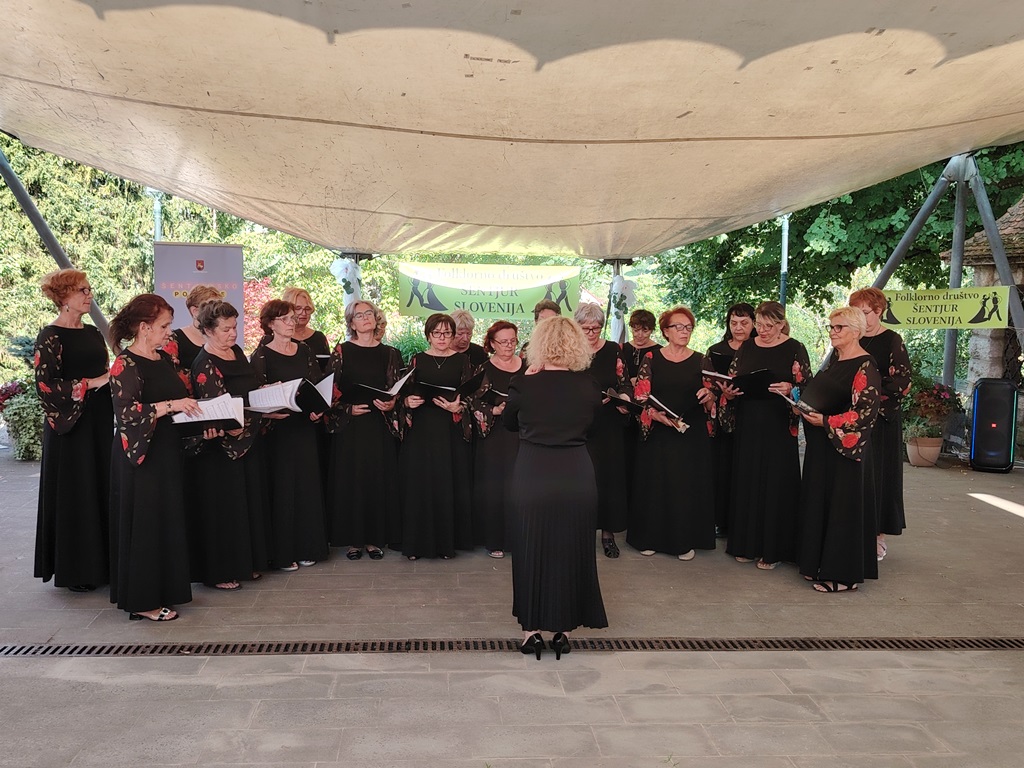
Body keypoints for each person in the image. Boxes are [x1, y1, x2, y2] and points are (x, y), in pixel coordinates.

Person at [504, 316, 607, 660]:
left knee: (530, 548)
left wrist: (528, 379)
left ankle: (531, 633)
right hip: (576, 473)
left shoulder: (523, 384)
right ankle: (563, 632)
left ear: (540, 343)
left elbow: (508, 423)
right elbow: (593, 428)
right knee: (571, 550)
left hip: (533, 472)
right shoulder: (589, 386)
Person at [108, 293, 202, 621]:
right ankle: (142, 600)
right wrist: (171, 406)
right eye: (164, 326)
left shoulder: (162, 359)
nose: (168, 332)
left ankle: (166, 590)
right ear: (144, 327)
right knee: (146, 525)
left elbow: (179, 396)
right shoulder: (125, 363)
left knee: (166, 521)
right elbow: (127, 413)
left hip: (167, 450)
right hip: (141, 455)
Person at [32, 269, 113, 593]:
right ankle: (77, 570)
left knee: (100, 485)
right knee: (76, 491)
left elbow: (106, 373)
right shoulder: (50, 336)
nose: (89, 294)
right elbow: (45, 386)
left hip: (99, 419)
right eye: (83, 290)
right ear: (65, 296)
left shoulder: (93, 332)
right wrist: (91, 383)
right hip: (69, 426)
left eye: (89, 289)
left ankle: (103, 563)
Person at [720, 300, 811, 570]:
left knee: (776, 484)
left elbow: (808, 386)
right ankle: (745, 544)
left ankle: (774, 550)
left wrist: (790, 388)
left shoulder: (795, 348)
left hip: (778, 424)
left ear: (781, 324)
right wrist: (728, 393)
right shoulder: (747, 347)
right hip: (748, 421)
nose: (762, 330)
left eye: (768, 326)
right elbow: (732, 378)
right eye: (759, 325)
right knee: (747, 480)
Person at [797, 306, 882, 592]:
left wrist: (825, 421)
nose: (833, 332)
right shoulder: (835, 359)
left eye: (839, 327)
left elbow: (865, 413)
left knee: (842, 509)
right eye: (831, 327)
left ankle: (844, 576)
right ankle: (816, 564)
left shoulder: (865, 365)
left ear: (856, 331)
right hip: (823, 446)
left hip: (845, 451)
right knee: (820, 502)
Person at [189, 300, 269, 588]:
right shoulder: (204, 363)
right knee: (224, 509)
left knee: (247, 503)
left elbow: (248, 390)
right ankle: (221, 572)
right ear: (208, 330)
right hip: (221, 447)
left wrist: (267, 395)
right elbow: (217, 407)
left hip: (249, 438)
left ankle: (246, 564)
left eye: (235, 327)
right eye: (226, 329)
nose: (233, 333)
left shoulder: (236, 352)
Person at [627, 307, 717, 560]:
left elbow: (712, 400)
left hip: (690, 433)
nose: (684, 332)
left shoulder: (701, 359)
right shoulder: (652, 358)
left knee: (685, 485)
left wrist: (709, 396)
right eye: (678, 327)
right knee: (655, 484)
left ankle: (684, 541)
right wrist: (655, 415)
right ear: (666, 331)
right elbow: (641, 396)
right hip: (659, 430)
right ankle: (649, 538)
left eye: (688, 327)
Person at [250, 300, 329, 571]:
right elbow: (255, 393)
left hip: (304, 425)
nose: (292, 323)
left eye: (293, 318)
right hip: (279, 428)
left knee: (307, 486)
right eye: (285, 319)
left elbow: (316, 384)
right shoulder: (261, 354)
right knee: (283, 487)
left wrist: (318, 408)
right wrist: (270, 402)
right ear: (271, 324)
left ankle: (308, 547)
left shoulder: (304, 349)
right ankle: (284, 553)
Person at [324, 300, 403, 560]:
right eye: (359, 315)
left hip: (379, 425)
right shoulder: (341, 351)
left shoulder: (390, 352)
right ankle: (353, 541)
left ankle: (374, 539)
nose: (366, 317)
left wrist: (391, 403)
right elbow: (328, 391)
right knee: (352, 481)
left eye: (369, 313)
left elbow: (396, 389)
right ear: (351, 323)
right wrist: (347, 409)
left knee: (376, 480)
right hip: (351, 426)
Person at [399, 313, 473, 560]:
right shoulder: (417, 360)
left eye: (447, 333)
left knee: (445, 482)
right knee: (420, 484)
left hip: (449, 430)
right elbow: (403, 393)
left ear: (453, 335)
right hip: (421, 429)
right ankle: (416, 545)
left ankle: (445, 544)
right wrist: (408, 401)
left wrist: (458, 407)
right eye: (437, 333)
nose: (442, 338)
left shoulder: (462, 361)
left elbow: (471, 396)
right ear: (428, 335)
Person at [849, 287, 912, 561]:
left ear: (879, 311)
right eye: (856, 313)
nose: (861, 318)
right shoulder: (851, 338)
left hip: (881, 420)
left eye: (865, 313)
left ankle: (878, 536)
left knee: (881, 477)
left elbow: (902, 383)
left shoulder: (892, 340)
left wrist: (865, 388)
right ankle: (854, 531)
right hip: (852, 419)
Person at [575, 303, 630, 558]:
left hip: (608, 423)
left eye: (596, 328)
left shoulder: (612, 350)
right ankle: (580, 534)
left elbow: (624, 382)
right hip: (579, 424)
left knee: (609, 477)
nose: (591, 333)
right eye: (586, 328)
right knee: (582, 479)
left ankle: (608, 534)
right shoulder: (570, 351)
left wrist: (624, 398)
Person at [469, 321, 523, 558]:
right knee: (494, 486)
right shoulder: (482, 369)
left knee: (518, 485)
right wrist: (494, 410)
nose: (508, 346)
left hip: (522, 434)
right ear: (492, 343)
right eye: (503, 342)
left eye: (512, 341)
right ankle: (495, 540)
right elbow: (471, 401)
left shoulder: (528, 367)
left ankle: (519, 538)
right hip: (493, 434)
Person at [705, 302, 756, 538]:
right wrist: (721, 393)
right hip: (721, 417)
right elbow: (706, 381)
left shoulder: (758, 349)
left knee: (745, 469)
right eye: (733, 323)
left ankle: (742, 521)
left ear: (754, 324)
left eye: (744, 323)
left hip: (750, 414)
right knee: (722, 468)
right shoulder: (716, 349)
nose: (738, 328)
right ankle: (719, 520)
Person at [621, 309, 662, 498]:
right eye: (636, 330)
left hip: (648, 412)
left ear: (651, 330)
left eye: (645, 331)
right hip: (625, 411)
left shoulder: (659, 352)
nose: (639, 335)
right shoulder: (621, 349)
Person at [167, 284, 222, 371]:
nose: (217, 313)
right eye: (211, 308)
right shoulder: (174, 338)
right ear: (195, 311)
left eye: (219, 308)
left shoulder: (223, 338)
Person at [282, 287, 331, 372]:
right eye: (298, 308)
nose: (303, 313)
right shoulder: (276, 338)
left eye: (307, 309)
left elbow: (328, 369)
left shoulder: (319, 338)